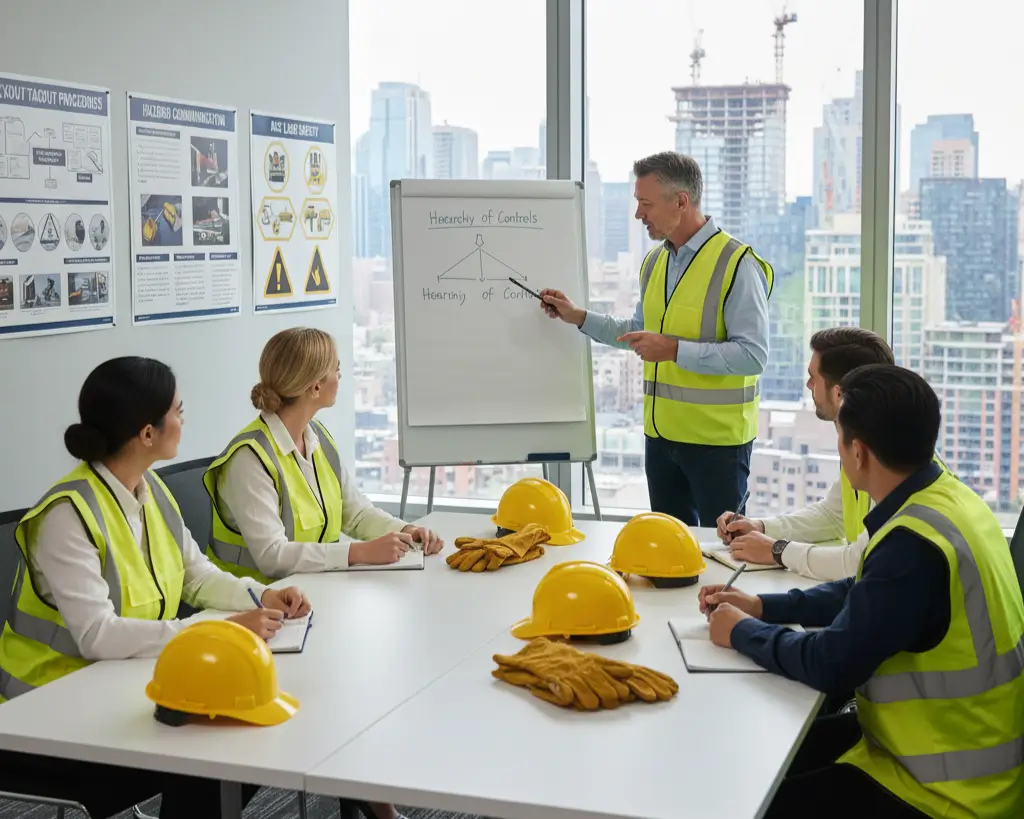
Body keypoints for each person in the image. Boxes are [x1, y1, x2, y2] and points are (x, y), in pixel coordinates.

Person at [698, 364, 1024, 818]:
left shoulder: (913, 546)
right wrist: (762, 607)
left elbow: (829, 663)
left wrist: (740, 632)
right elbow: (869, 591)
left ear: (858, 452)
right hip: (939, 751)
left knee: (744, 801)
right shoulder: (948, 500)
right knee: (756, 766)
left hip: (944, 794)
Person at [0, 356, 310, 819]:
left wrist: (259, 596)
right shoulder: (67, 515)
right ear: (148, 433)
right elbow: (98, 635)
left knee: (237, 728)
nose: (185, 421)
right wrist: (220, 631)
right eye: (178, 412)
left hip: (122, 684)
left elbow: (195, 575)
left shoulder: (151, 491)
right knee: (212, 748)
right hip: (48, 712)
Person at [540, 151, 774, 526]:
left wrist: (674, 350)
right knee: (668, 549)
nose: (638, 214)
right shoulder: (654, 263)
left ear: (681, 201)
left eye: (645, 203)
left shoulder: (737, 264)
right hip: (661, 442)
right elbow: (637, 330)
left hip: (718, 447)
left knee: (721, 549)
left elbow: (753, 355)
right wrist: (578, 316)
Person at [714, 327, 895, 580]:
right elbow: (833, 516)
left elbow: (859, 561)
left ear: (838, 394)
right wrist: (761, 527)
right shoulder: (869, 442)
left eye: (813, 378)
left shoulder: (892, 464)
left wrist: (778, 551)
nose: (808, 385)